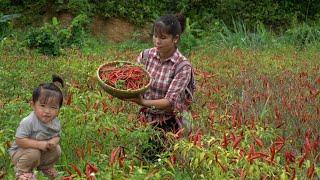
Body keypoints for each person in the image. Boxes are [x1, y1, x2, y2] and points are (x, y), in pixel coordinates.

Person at [131, 13, 195, 134]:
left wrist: (143, 102)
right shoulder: (146, 56)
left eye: (163, 37)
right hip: (144, 119)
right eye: (155, 36)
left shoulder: (182, 66)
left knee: (165, 151)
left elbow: (169, 102)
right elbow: (134, 82)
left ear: (175, 39)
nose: (157, 41)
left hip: (169, 123)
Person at [8, 75, 64, 180]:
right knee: (34, 152)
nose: (47, 111)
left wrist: (53, 141)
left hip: (40, 152)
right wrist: (39, 144)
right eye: (42, 106)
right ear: (33, 105)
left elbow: (57, 136)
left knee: (57, 149)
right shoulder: (28, 121)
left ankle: (45, 167)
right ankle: (23, 172)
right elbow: (19, 140)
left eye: (53, 107)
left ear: (59, 109)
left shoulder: (55, 122)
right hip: (21, 154)